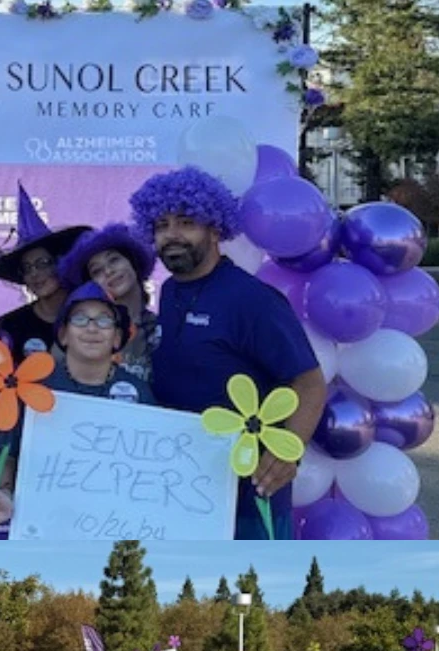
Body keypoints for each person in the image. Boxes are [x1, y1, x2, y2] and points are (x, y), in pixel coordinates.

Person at [129, 166, 327, 539]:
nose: (171, 235)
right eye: (160, 225)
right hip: (181, 482)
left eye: (186, 223)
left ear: (215, 228)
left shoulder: (253, 300)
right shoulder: (169, 292)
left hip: (248, 489)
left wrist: (288, 452)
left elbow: (310, 382)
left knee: (250, 591)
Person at [0, 281, 153, 530]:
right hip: (47, 526)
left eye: (104, 321)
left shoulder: (138, 391)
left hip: (116, 527)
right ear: (63, 334)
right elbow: (10, 454)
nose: (92, 328)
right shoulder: (31, 389)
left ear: (117, 337)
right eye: (80, 319)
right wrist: (4, 494)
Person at [0, 182, 88, 365]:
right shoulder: (11, 324)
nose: (34, 274)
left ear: (62, 264)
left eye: (42, 264)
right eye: (27, 268)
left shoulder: (90, 318)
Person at [57, 221, 158, 381]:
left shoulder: (164, 328)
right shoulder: (80, 333)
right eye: (97, 271)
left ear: (133, 263)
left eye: (114, 260)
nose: (109, 271)